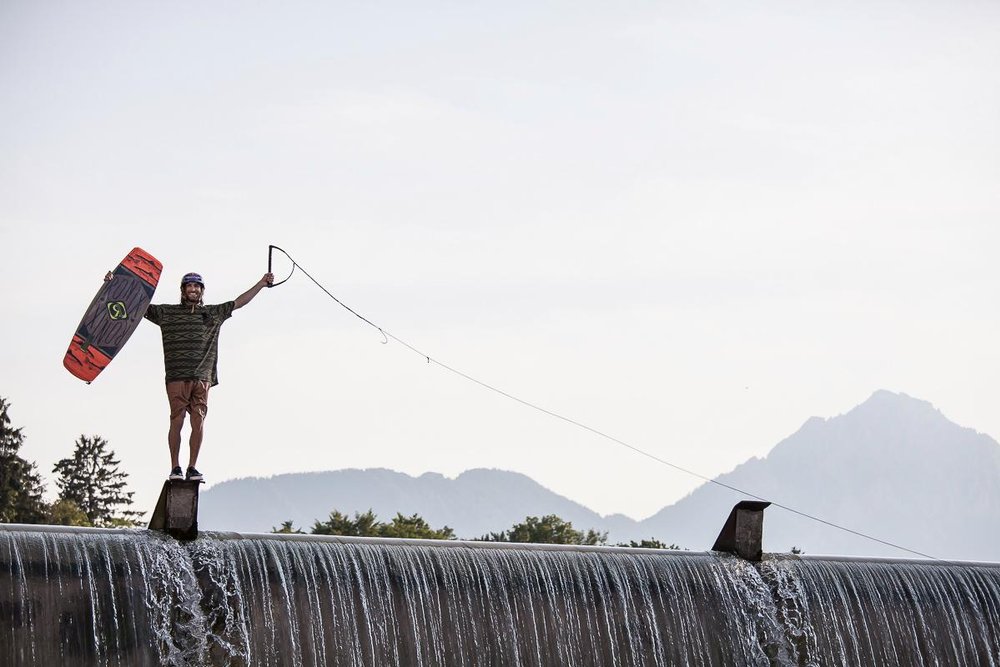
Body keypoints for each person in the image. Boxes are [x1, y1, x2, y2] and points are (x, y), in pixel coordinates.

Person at [105, 269, 274, 482]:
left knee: (198, 420)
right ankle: (175, 467)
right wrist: (113, 286)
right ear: (183, 291)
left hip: (202, 378)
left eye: (197, 286)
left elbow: (239, 302)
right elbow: (136, 307)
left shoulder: (213, 313)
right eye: (189, 286)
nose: (193, 289)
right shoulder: (167, 313)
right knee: (177, 420)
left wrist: (261, 283)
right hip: (177, 375)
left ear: (202, 290)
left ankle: (192, 467)